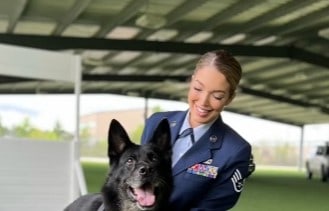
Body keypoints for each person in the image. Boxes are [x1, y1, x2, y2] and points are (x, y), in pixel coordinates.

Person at [141, 49, 252, 211]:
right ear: (191, 81)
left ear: (230, 98)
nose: (203, 102)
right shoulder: (156, 122)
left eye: (217, 96)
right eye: (198, 89)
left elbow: (212, 208)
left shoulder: (235, 150)